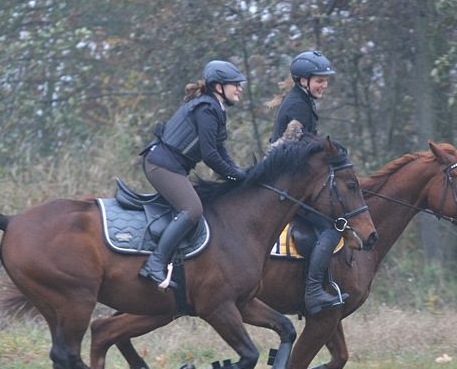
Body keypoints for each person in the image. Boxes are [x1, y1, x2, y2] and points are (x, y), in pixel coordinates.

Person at [138, 60, 247, 289]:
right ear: (218, 86)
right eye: (234, 84)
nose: (239, 88)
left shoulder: (215, 108)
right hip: (161, 165)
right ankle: (155, 263)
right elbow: (210, 155)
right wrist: (235, 177)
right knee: (193, 209)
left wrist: (240, 174)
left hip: (169, 165)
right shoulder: (207, 109)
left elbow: (220, 150)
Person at [268, 50, 346, 315]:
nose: (324, 84)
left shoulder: (303, 101)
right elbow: (294, 149)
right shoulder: (297, 106)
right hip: (287, 187)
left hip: (293, 183)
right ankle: (313, 292)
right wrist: (326, 149)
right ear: (303, 80)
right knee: (331, 227)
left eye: (325, 79)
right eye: (319, 80)